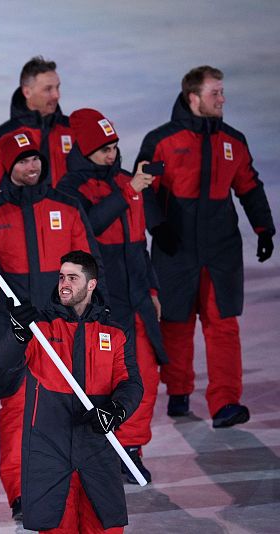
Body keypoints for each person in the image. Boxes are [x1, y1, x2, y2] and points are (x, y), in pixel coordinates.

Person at [0, 129, 102, 519]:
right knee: (17, 414)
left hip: (64, 330)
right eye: (22, 160)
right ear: (8, 166)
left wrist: (99, 316)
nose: (32, 165)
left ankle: (71, 487)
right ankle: (21, 494)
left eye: (35, 158)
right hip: (12, 332)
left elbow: (89, 267)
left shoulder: (66, 206)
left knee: (72, 411)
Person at [136, 66, 275, 428]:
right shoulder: (164, 141)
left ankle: (225, 402)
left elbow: (250, 185)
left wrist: (264, 228)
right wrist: (157, 228)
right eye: (215, 93)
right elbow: (145, 186)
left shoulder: (233, 141)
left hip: (221, 251)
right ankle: (178, 391)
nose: (222, 99)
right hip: (175, 249)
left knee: (223, 325)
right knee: (176, 324)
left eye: (222, 92)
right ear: (193, 98)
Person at [58, 109, 168, 484]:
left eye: (115, 146)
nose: (112, 154)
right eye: (104, 148)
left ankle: (132, 448)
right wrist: (128, 191)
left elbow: (140, 245)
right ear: (85, 150)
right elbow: (91, 227)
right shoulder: (70, 189)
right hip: (101, 304)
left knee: (145, 378)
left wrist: (152, 289)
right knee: (102, 382)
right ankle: (103, 450)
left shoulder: (126, 182)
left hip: (137, 299)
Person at [9, 250, 142, 533]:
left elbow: (130, 383)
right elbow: (6, 365)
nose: (64, 284)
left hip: (97, 446)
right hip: (49, 447)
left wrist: (117, 410)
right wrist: (17, 336)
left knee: (104, 527)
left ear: (91, 284)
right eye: (61, 277)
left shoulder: (115, 332)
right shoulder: (40, 327)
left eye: (72, 277)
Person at [0, 56, 73, 214]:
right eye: (48, 89)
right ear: (27, 92)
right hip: (21, 230)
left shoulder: (73, 130)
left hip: (68, 228)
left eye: (57, 87)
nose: (56, 95)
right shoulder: (0, 139)